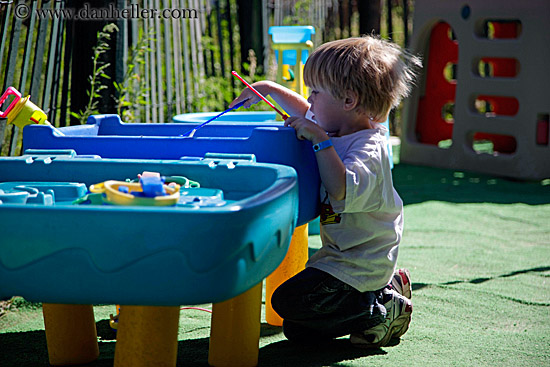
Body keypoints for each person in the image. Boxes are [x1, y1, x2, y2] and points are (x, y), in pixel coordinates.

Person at [229, 35, 421, 348]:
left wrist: (319, 140)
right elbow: (307, 111)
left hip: (359, 262)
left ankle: (380, 308)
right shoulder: (344, 125)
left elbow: (341, 190)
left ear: (349, 101)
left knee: (289, 301)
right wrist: (267, 89)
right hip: (341, 257)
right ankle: (383, 290)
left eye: (316, 92)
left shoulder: (368, 149)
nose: (311, 99)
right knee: (298, 329)